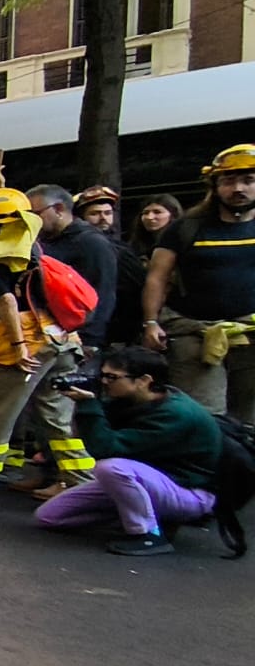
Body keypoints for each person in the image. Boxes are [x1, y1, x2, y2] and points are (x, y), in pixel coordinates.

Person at [0, 188, 95, 510]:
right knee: (58, 420)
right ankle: (84, 487)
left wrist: (18, 346)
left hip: (25, 342)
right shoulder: (32, 246)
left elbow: (5, 301)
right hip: (59, 339)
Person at [34, 346, 221, 555]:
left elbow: (105, 449)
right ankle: (139, 515)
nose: (104, 382)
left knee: (110, 468)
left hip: (189, 492)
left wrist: (89, 405)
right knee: (49, 516)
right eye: (102, 375)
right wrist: (84, 405)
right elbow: (86, 436)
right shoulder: (134, 401)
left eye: (112, 377)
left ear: (144, 380)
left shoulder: (175, 414)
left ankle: (148, 534)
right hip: (148, 481)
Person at [141, 144, 255, 419]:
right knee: (202, 415)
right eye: (228, 181)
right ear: (215, 186)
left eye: (248, 180)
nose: (238, 188)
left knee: (249, 415)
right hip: (195, 335)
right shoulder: (186, 228)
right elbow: (157, 277)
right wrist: (151, 322)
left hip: (251, 336)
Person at [27, 184, 120, 352]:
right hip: (52, 335)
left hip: (81, 340)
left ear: (59, 209)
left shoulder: (91, 242)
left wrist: (90, 341)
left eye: (35, 214)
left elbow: (104, 294)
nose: (29, 221)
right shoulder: (46, 241)